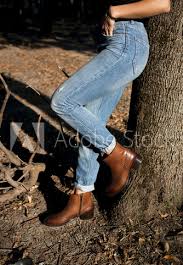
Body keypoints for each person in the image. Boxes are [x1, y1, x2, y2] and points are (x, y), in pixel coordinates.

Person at [43, 0, 171, 227]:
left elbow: (161, 3)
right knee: (92, 124)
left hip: (125, 44)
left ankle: (118, 156)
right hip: (112, 45)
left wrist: (114, 11)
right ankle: (82, 197)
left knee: (62, 101)